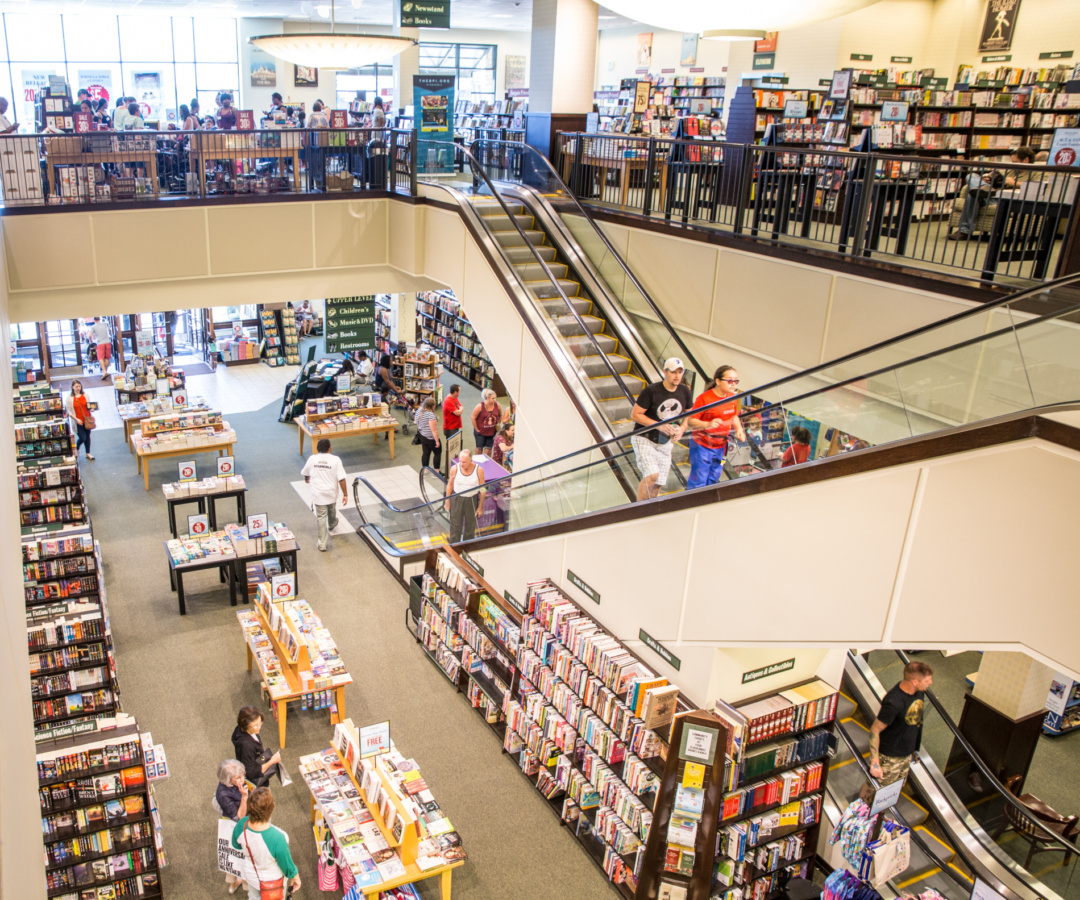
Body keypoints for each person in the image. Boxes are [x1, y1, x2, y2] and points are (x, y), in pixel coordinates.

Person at [630, 358, 692, 501]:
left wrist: (682, 428)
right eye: (673, 372)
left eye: (680, 372)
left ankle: (649, 509)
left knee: (658, 483)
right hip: (644, 437)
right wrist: (660, 425)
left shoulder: (684, 392)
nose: (677, 376)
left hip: (665, 442)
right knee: (652, 475)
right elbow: (635, 415)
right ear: (665, 372)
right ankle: (638, 509)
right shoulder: (651, 391)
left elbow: (689, 414)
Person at [868, 660, 934, 788]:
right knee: (877, 789)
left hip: (906, 753)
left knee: (896, 788)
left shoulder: (919, 692)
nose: (930, 683)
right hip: (890, 757)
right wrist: (875, 762)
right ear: (915, 682)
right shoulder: (893, 702)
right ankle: (862, 801)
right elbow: (874, 730)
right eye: (927, 680)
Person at [950, 146, 1035, 239]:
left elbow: (1039, 187)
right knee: (971, 177)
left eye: (1015, 162)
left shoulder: (1037, 172)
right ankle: (983, 188)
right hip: (992, 195)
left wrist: (1014, 183)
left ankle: (965, 231)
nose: (1013, 165)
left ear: (1026, 160)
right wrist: (988, 180)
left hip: (1005, 200)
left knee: (973, 194)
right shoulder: (1010, 170)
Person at [231, 787, 301, 900]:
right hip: (273, 882)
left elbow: (236, 845)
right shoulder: (278, 837)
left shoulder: (241, 825)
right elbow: (287, 865)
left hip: (251, 875)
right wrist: (295, 877)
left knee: (253, 897)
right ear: (271, 810)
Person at [685, 365, 746, 490]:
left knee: (713, 477)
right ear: (718, 381)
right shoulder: (704, 398)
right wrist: (707, 424)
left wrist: (739, 429)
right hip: (702, 445)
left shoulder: (732, 397)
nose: (733, 384)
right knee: (699, 480)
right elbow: (690, 420)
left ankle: (708, 499)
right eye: (729, 381)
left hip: (721, 444)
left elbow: (734, 416)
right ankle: (695, 500)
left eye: (735, 381)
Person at [301, 438, 347, 552]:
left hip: (318, 494)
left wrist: (307, 478)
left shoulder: (312, 459)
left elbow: (305, 472)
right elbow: (341, 479)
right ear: (330, 447)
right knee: (331, 510)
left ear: (318, 448)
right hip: (331, 492)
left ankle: (322, 544)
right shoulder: (336, 460)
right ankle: (332, 524)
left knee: (321, 517)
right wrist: (345, 494)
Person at [215, 759, 250, 894]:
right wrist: (244, 797)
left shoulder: (237, 782)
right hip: (237, 826)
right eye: (238, 777)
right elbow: (239, 817)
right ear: (228, 779)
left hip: (247, 819)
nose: (242, 779)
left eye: (242, 775)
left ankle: (241, 883)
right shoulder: (223, 794)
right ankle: (241, 884)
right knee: (239, 856)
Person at [231, 706, 287, 788]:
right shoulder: (246, 745)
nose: (259, 727)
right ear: (246, 725)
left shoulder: (241, 729)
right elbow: (251, 772)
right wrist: (272, 761)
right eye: (255, 725)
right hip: (258, 786)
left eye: (260, 723)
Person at [445, 448, 486, 542]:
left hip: (471, 499)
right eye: (460, 461)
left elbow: (483, 489)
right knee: (455, 524)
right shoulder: (455, 469)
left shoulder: (479, 470)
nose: (461, 464)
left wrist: (480, 507)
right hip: (457, 498)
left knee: (470, 525)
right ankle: (454, 544)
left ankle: (468, 545)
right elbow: (450, 485)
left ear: (470, 461)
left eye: (464, 462)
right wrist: (447, 501)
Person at [65, 380, 94, 461]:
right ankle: (76, 449)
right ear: (72, 387)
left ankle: (88, 453)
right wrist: (76, 419)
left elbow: (88, 405)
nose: (78, 388)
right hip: (78, 421)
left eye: (79, 386)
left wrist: (91, 409)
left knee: (88, 436)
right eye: (76, 386)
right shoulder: (69, 398)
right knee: (83, 437)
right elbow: (69, 411)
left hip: (87, 420)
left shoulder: (85, 395)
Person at [414, 396, 442, 470]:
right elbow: (434, 429)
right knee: (437, 453)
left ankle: (425, 470)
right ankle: (436, 472)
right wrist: (437, 441)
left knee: (426, 453)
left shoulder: (419, 410)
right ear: (432, 406)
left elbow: (416, 421)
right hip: (431, 438)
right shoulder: (430, 415)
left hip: (422, 435)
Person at [471, 389, 502, 453]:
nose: (495, 400)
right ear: (487, 398)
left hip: (492, 432)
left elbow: (500, 415)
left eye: (495, 398)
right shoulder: (480, 406)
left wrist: (497, 424)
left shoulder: (497, 405)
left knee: (489, 449)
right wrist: (476, 429)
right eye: (493, 398)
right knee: (479, 448)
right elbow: (473, 418)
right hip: (480, 432)